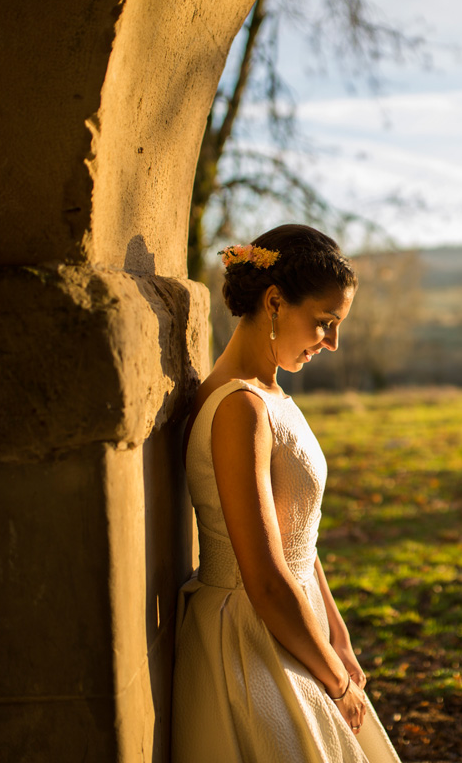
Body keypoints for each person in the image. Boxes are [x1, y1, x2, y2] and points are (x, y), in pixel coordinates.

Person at [172, 225, 400, 762]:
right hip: (250, 640)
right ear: (274, 301)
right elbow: (266, 580)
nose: (332, 341)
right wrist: (336, 683)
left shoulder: (272, 394)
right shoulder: (238, 409)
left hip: (296, 624)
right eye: (324, 322)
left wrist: (337, 636)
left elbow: (298, 533)